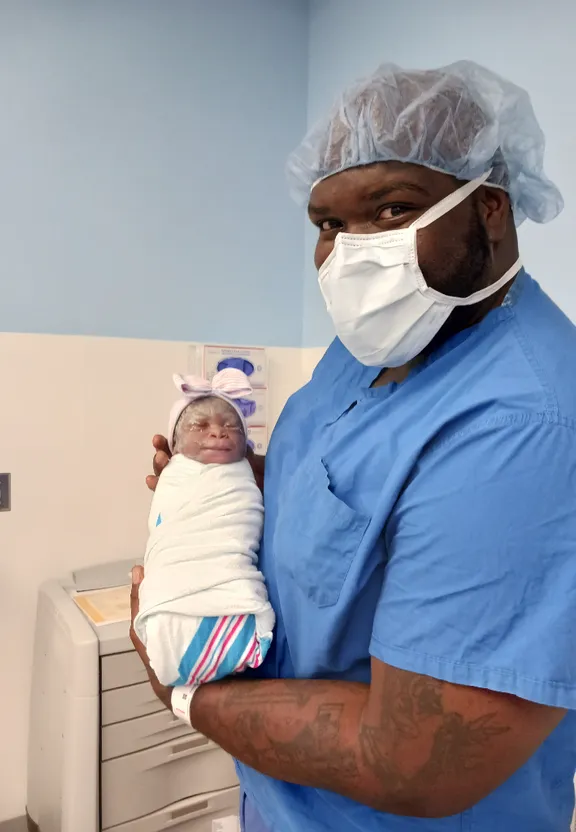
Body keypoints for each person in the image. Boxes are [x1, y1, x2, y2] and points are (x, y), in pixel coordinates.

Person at [130, 60, 576, 831]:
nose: (352, 251)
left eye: (393, 208)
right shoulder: (380, 343)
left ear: (492, 209)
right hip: (281, 802)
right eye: (329, 224)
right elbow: (355, 482)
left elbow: (414, 763)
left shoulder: (521, 425)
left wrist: (185, 684)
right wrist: (238, 481)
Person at [133, 368, 274, 689]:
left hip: (232, 578)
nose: (218, 434)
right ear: (176, 442)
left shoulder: (244, 475)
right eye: (200, 426)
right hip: (175, 581)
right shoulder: (175, 474)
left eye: (230, 426)